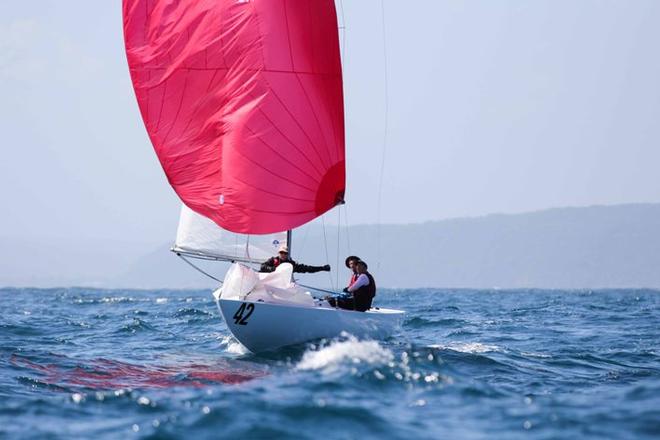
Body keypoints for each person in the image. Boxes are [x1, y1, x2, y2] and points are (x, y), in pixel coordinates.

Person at [259, 245, 331, 273]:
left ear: (287, 254)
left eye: (285, 253)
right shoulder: (273, 260)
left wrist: (322, 268)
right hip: (269, 283)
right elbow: (262, 267)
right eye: (281, 252)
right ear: (278, 253)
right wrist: (273, 269)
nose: (283, 254)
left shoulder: (290, 264)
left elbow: (306, 268)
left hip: (281, 287)